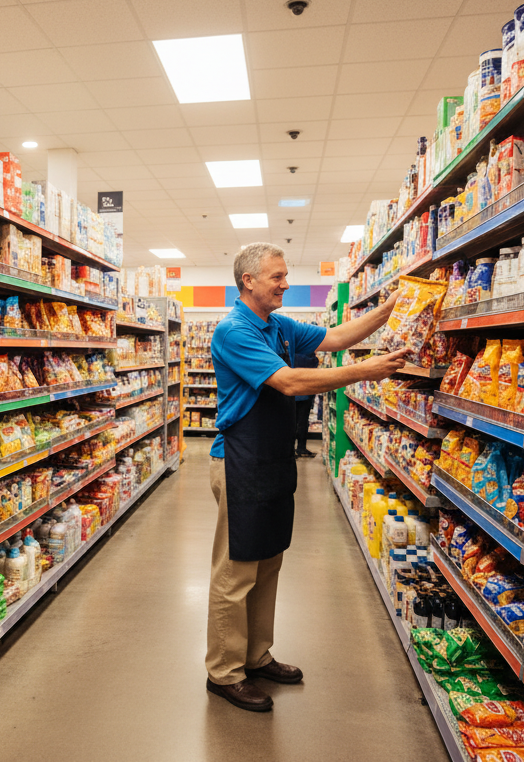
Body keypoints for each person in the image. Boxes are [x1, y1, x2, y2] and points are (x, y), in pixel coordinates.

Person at [205, 242, 407, 713]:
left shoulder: (279, 325)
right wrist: (364, 371)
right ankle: (224, 672)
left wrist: (394, 306)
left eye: (285, 275)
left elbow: (335, 336)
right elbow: (289, 382)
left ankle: (256, 655)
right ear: (248, 281)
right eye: (276, 276)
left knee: (268, 564)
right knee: (236, 572)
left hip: (272, 461)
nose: (286, 283)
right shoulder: (234, 330)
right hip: (239, 463)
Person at [292, 347, 318, 458]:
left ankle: (291, 449)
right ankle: (301, 448)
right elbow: (314, 363)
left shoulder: (290, 351)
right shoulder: (307, 354)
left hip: (292, 392)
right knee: (302, 421)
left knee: (292, 422)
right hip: (304, 392)